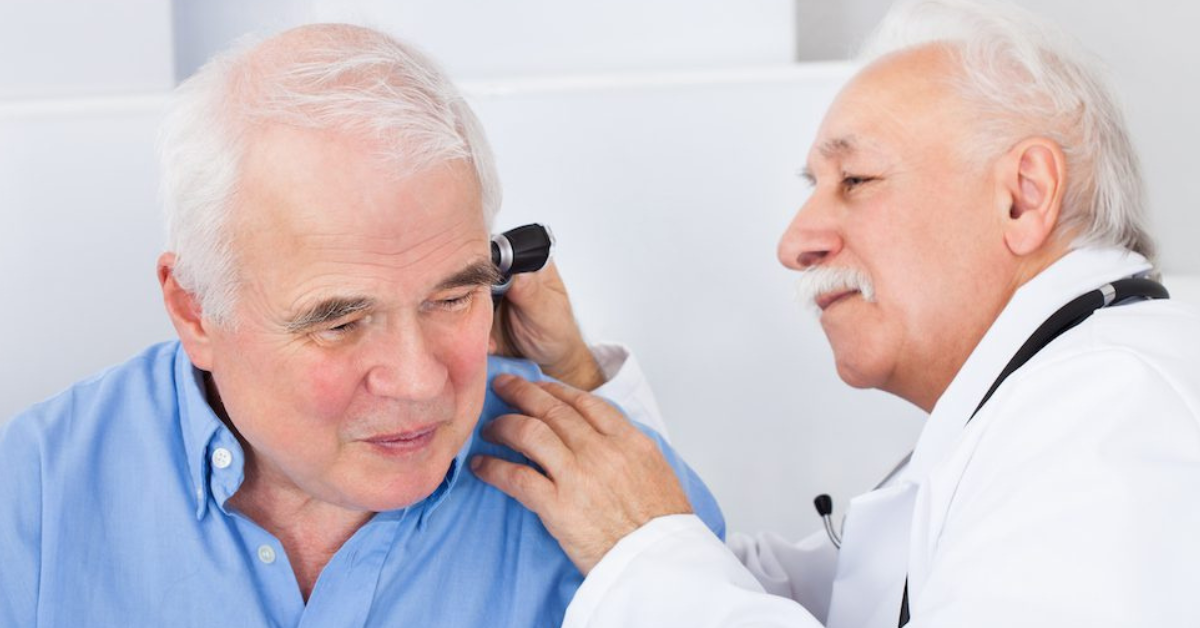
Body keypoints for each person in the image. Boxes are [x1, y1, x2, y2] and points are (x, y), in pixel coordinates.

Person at [469, 1, 1200, 626]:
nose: (794, 244)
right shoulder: (1050, 411)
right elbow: (800, 601)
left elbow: (685, 577)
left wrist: (644, 548)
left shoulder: (1111, 416)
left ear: (1024, 195)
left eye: (856, 179)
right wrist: (574, 377)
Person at [0, 24, 723, 627]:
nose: (417, 382)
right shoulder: (32, 494)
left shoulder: (629, 516)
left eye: (451, 298)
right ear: (196, 309)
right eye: (341, 322)